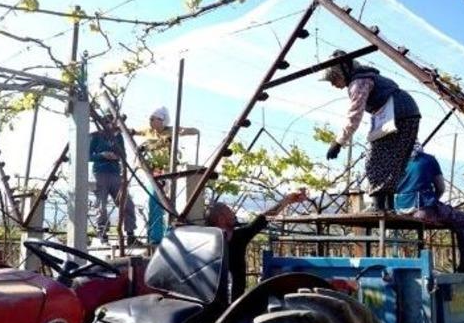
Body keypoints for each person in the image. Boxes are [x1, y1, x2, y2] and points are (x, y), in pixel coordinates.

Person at [322, 50, 421, 210]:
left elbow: (354, 115)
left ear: (343, 73)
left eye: (334, 79)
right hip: (408, 114)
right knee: (391, 161)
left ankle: (379, 206)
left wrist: (338, 142)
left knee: (374, 160)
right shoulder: (368, 77)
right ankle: (387, 206)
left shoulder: (358, 83)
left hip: (398, 115)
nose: (334, 84)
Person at [206, 189, 308, 300]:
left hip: (234, 307)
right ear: (221, 219)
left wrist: (286, 201)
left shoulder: (239, 237)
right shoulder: (206, 244)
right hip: (214, 304)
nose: (233, 214)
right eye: (229, 212)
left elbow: (263, 219)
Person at [394, 144, 464, 272]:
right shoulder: (428, 160)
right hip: (423, 210)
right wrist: (433, 200)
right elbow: (441, 188)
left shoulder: (394, 161)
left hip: (398, 210)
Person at [133, 107, 199, 245]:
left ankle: (168, 236)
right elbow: (134, 131)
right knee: (154, 202)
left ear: (162, 120)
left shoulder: (170, 131)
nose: (150, 121)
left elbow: (193, 131)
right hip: (154, 172)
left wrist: (181, 132)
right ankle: (155, 237)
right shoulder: (148, 132)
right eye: (150, 118)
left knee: (168, 204)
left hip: (168, 173)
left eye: (153, 119)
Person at [90, 113, 137, 245]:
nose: (111, 125)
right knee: (101, 205)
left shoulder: (118, 137)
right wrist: (102, 155)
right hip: (100, 173)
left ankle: (130, 234)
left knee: (126, 203)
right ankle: (102, 234)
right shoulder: (96, 136)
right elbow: (88, 156)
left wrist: (117, 156)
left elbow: (124, 155)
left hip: (115, 173)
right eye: (108, 122)